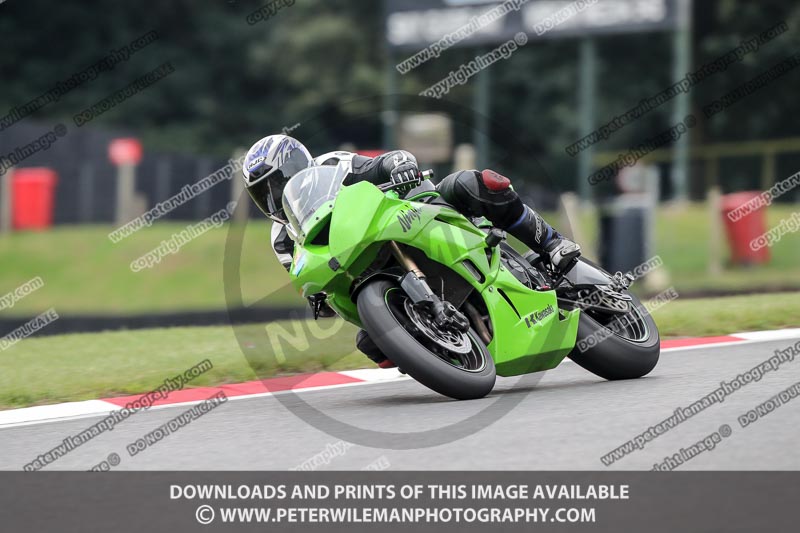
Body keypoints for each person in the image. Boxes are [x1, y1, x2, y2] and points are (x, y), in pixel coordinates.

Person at [242, 134, 580, 367]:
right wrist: (316, 296)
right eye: (264, 192)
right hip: (364, 267)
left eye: (279, 181)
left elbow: (384, 162)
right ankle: (440, 350)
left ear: (299, 164)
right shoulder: (282, 239)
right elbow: (306, 278)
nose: (276, 195)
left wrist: (398, 165)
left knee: (474, 184)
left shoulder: (333, 163)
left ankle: (551, 243)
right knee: (372, 345)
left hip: (415, 212)